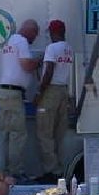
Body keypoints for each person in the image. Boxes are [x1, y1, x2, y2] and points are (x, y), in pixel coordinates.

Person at [0, 19, 41, 179]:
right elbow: (26, 65)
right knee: (18, 134)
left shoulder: (10, 41)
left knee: (7, 133)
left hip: (3, 91)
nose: (34, 39)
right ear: (31, 31)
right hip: (13, 94)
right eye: (35, 34)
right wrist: (39, 61)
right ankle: (16, 172)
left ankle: (7, 170)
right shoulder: (21, 42)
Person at [35, 20, 73, 184]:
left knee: (44, 133)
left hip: (50, 91)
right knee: (58, 133)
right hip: (64, 91)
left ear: (53, 32)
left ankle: (52, 171)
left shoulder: (52, 48)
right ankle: (58, 169)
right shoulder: (69, 49)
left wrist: (39, 92)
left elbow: (49, 71)